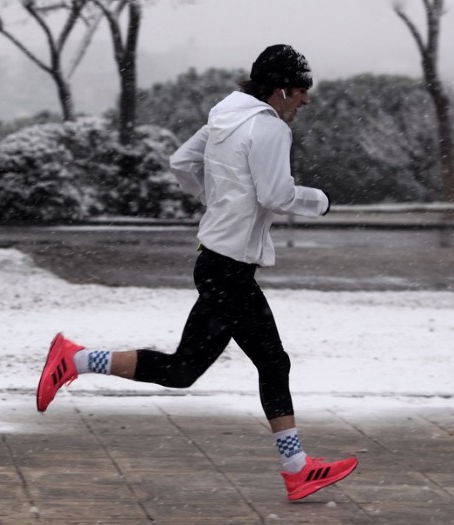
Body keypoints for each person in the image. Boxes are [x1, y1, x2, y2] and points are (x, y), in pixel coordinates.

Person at [36, 44, 357, 502]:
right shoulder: (269, 129)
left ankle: (76, 359)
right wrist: (320, 201)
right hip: (228, 270)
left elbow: (181, 163)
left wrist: (217, 201)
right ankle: (296, 470)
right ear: (283, 88)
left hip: (216, 262)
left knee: (185, 369)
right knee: (267, 362)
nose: (305, 101)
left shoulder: (225, 116)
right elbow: (275, 195)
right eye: (302, 91)